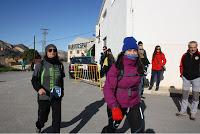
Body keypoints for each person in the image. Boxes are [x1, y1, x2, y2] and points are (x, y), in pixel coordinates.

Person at [102, 37, 144, 133]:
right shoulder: (117, 67)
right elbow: (108, 89)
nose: (132, 53)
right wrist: (114, 107)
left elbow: (139, 86)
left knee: (138, 130)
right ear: (124, 52)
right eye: (129, 50)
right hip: (117, 104)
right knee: (111, 129)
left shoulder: (139, 65)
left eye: (134, 50)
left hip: (134, 104)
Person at [31, 44, 65, 133]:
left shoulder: (60, 65)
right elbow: (34, 80)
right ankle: (39, 125)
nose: (52, 52)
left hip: (56, 94)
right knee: (43, 117)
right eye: (50, 50)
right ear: (46, 52)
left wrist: (62, 91)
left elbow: (61, 80)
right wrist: (38, 89)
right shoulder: (40, 64)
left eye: (54, 50)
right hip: (44, 95)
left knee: (57, 119)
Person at [176, 41, 200, 120]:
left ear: (196, 47)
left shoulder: (199, 55)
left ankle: (193, 113)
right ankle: (183, 111)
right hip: (186, 78)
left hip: (196, 78)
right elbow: (181, 65)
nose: (193, 49)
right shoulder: (184, 55)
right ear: (188, 47)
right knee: (185, 95)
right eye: (191, 47)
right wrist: (182, 75)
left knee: (195, 96)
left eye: (194, 47)